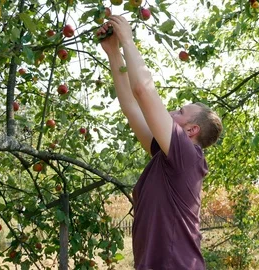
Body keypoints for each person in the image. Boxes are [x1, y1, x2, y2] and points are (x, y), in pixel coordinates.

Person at [98, 15, 223, 270]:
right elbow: (131, 108)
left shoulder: (188, 156)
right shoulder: (165, 157)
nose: (171, 113)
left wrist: (129, 41)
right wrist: (113, 53)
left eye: (179, 111)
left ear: (192, 129)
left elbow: (143, 91)